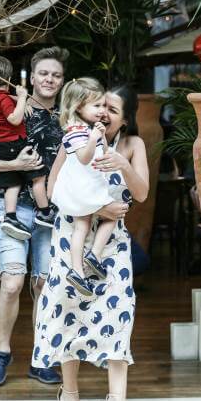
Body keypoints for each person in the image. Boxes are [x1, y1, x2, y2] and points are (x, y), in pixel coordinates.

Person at [33, 84, 148, 401]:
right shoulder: (77, 139)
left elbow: (141, 193)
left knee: (118, 313)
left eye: (112, 109)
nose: (104, 113)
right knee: (66, 311)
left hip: (112, 245)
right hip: (71, 235)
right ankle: (69, 393)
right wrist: (97, 208)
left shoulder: (132, 144)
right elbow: (53, 189)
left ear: (124, 119)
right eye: (101, 106)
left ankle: (117, 397)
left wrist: (122, 164)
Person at [0, 46, 68, 387]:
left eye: (56, 75)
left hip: (52, 210)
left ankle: (40, 356)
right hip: (15, 205)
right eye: (44, 73)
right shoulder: (12, 107)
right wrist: (14, 165)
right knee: (13, 283)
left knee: (43, 283)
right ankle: (3, 351)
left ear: (62, 81)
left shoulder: (67, 115)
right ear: (31, 76)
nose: (49, 79)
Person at [52, 78, 115, 296]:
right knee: (114, 214)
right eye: (96, 106)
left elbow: (103, 151)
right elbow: (84, 158)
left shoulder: (86, 129)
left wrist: (101, 136)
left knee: (82, 227)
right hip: (84, 186)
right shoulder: (75, 131)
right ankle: (93, 256)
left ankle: (77, 270)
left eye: (104, 106)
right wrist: (94, 137)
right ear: (79, 106)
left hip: (85, 185)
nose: (102, 110)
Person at [0, 55, 54, 240]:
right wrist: (21, 98)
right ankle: (45, 212)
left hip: (1, 147)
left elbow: (1, 101)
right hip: (16, 144)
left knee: (12, 182)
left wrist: (16, 99)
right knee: (38, 176)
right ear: (9, 80)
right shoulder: (4, 100)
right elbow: (14, 118)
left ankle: (10, 216)